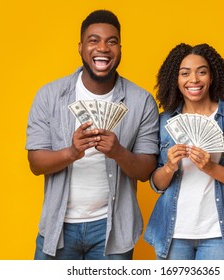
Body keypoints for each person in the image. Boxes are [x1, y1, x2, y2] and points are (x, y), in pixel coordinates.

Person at [25, 10, 159, 260]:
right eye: (94, 40)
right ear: (80, 47)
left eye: (111, 41)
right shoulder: (49, 96)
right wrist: (71, 152)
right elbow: (35, 163)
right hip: (58, 226)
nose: (103, 48)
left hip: (112, 229)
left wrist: (118, 152)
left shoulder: (141, 101)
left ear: (120, 47)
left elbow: (146, 170)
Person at [144, 43, 224, 260]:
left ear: (212, 76)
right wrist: (169, 167)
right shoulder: (165, 122)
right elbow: (156, 184)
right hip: (172, 233)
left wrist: (211, 167)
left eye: (202, 72)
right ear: (175, 80)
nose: (194, 80)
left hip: (219, 233)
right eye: (185, 73)